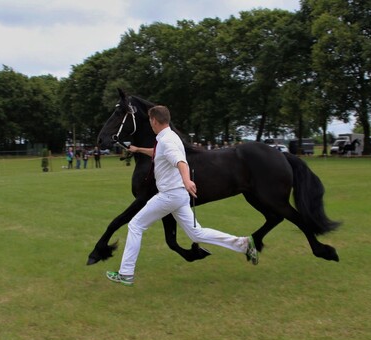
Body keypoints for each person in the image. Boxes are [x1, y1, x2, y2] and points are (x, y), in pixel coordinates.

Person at [106, 105, 258, 286]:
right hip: (178, 196)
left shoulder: (167, 141)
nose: (150, 124)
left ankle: (126, 274)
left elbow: (180, 161)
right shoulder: (169, 137)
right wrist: (138, 149)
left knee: (135, 225)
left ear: (154, 120)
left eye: (150, 121)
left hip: (169, 195)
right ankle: (244, 244)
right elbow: (159, 154)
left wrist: (187, 180)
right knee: (196, 233)